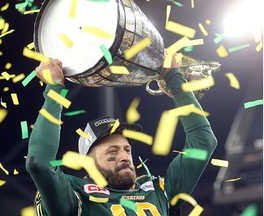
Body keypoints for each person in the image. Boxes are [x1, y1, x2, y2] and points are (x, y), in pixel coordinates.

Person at [26, 56, 217, 216]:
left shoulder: (158, 189)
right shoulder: (76, 195)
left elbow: (204, 143)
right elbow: (38, 163)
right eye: (112, 151)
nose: (125, 156)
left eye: (127, 149)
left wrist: (173, 78)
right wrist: (55, 89)